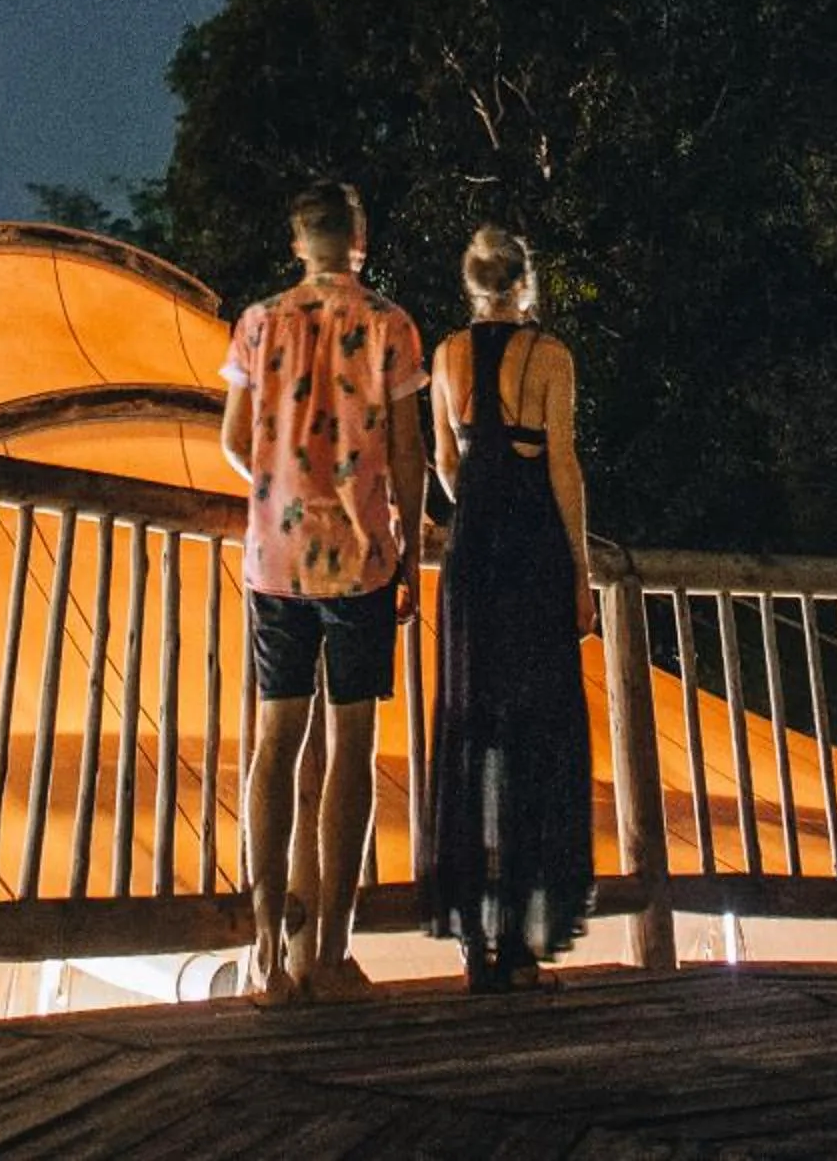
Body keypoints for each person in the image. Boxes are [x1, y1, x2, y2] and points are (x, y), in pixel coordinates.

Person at [220, 178, 427, 1003]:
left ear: (298, 242)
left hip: (275, 557)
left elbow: (235, 438)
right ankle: (333, 955)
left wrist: (277, 481)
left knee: (276, 746)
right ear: (361, 238)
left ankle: (269, 957)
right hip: (360, 559)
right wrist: (406, 544)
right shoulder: (389, 325)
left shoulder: (259, 322)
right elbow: (407, 453)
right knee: (350, 750)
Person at [423, 223, 596, 991]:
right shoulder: (550, 356)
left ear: (471, 285)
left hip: (473, 553)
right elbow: (561, 461)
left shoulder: (447, 356)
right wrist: (581, 572)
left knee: (473, 736)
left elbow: (446, 463)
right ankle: (522, 946)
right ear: (525, 284)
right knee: (534, 737)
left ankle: (473, 944)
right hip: (532, 551)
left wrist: (476, 501)